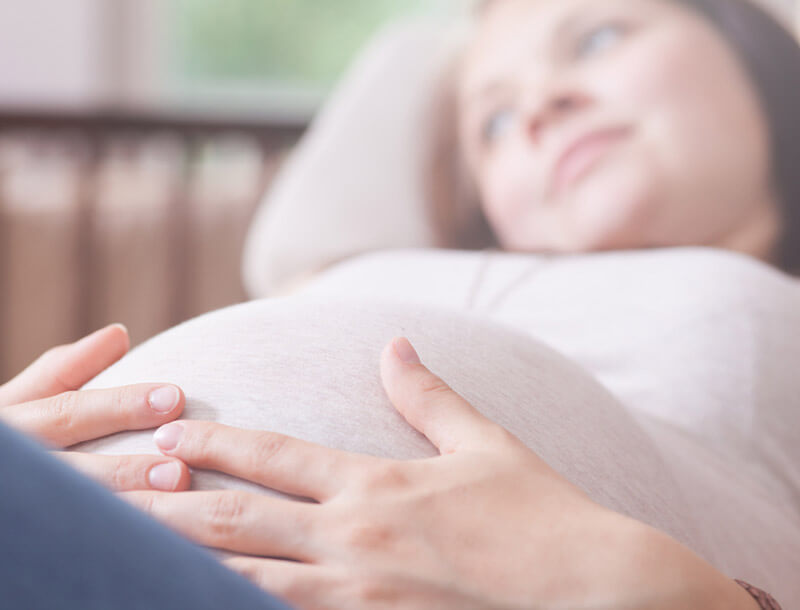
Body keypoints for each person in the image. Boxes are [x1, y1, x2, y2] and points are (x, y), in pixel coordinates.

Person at [1, 0, 796, 607]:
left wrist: (662, 588)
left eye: (595, 39)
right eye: (495, 121)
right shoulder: (379, 270)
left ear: (752, 49)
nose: (541, 108)